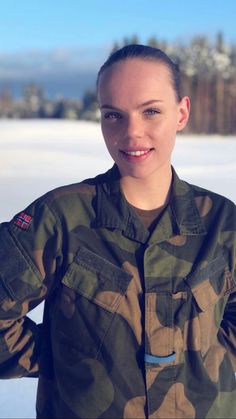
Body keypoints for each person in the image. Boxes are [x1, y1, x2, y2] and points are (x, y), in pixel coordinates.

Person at [0, 44, 235, 419]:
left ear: (182, 112)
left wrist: (216, 362)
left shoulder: (223, 223)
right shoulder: (61, 217)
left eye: (151, 111)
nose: (131, 133)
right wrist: (64, 357)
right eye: (113, 115)